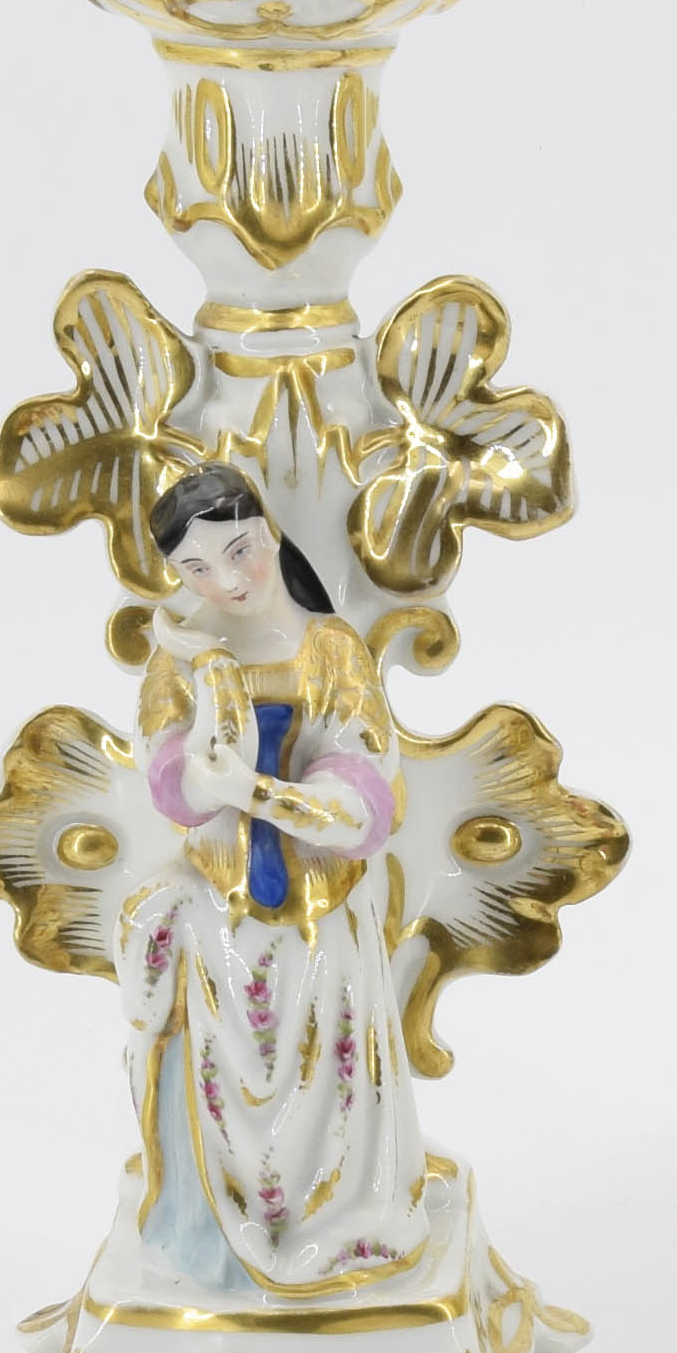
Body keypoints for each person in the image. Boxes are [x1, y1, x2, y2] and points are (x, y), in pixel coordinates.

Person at [113, 465, 424, 1295]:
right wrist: (207, 697)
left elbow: (364, 793)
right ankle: (205, 1240)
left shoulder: (329, 650)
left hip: (320, 918)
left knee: (328, 1065)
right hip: (219, 909)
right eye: (196, 568)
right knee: (198, 1043)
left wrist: (260, 793)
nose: (226, 581)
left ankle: (334, 1218)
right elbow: (171, 779)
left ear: (271, 534)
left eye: (239, 550)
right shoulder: (181, 655)